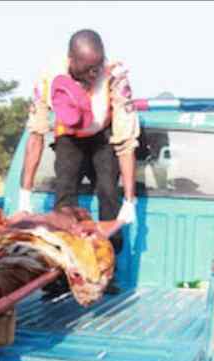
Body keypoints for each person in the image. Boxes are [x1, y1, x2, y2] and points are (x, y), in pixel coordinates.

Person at [19, 29, 140, 294]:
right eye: (87, 69)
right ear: (71, 60)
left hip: (103, 136)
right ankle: (64, 274)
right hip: (69, 137)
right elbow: (36, 135)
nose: (93, 74)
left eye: (97, 66)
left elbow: (126, 141)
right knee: (64, 197)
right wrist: (25, 195)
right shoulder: (48, 77)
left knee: (109, 193)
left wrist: (130, 201)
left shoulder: (115, 76)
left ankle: (106, 271)